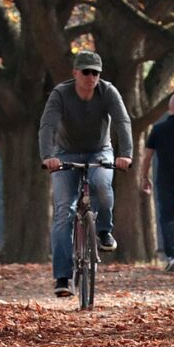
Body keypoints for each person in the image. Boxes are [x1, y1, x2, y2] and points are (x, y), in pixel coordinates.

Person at [39, 50, 133, 298]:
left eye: (95, 73)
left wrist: (127, 154)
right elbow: (47, 125)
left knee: (102, 184)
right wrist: (48, 156)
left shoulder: (108, 91)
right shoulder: (60, 93)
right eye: (86, 72)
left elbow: (123, 122)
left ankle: (103, 230)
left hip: (99, 151)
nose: (91, 77)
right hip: (65, 152)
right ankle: (62, 277)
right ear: (75, 73)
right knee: (63, 212)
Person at [140, 93, 174, 272]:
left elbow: (147, 156)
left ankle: (171, 254)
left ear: (169, 107)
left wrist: (144, 176)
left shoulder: (158, 129)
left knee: (166, 217)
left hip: (164, 179)